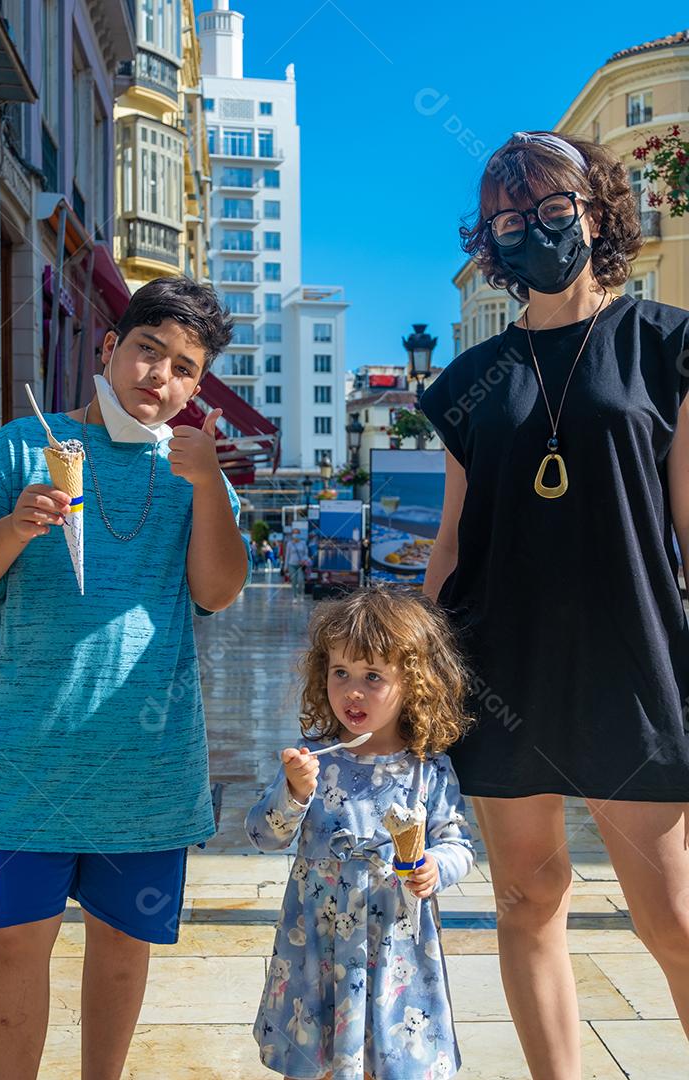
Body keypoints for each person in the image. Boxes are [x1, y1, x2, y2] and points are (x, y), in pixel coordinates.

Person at [419, 130, 689, 1079]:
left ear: (596, 211)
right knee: (529, 899)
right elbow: (452, 543)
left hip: (633, 659)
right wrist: (414, 675)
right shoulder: (465, 383)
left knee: (674, 918)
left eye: (551, 208)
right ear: (489, 240)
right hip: (501, 667)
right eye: (508, 218)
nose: (532, 228)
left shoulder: (667, 345)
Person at [0, 276, 251, 1079]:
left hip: (148, 766)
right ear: (109, 350)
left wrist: (209, 491)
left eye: (185, 368)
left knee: (125, 948)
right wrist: (14, 526)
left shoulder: (196, 471)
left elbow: (217, 591)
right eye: (147, 350)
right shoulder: (23, 447)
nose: (159, 377)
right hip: (30, 756)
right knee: (17, 943)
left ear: (198, 386)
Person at [244, 584, 475, 1079]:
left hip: (394, 947)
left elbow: (457, 843)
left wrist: (437, 867)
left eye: (374, 676)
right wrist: (293, 792)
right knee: (314, 1060)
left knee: (390, 1060)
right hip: (317, 945)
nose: (353, 690)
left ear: (412, 683)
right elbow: (265, 835)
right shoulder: (313, 761)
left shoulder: (425, 770)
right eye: (341, 673)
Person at [284, 527, 310, 601]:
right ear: (292, 534)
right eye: (294, 533)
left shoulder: (303, 543)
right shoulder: (289, 544)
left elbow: (306, 554)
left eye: (297, 533)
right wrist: (285, 567)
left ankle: (301, 594)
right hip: (291, 564)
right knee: (294, 581)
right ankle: (294, 596)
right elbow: (287, 555)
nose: (296, 535)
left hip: (300, 565)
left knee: (300, 580)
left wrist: (304, 560)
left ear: (299, 534)